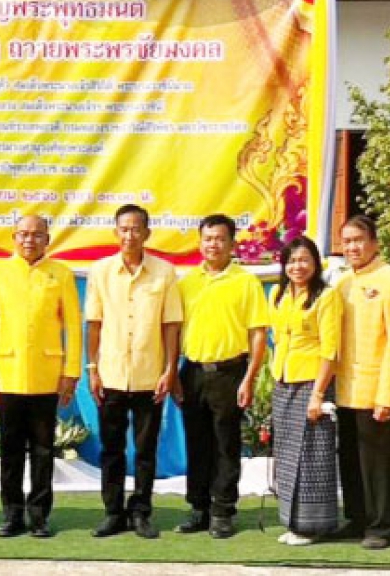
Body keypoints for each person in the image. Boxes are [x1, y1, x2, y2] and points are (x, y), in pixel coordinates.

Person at [0, 214, 81, 538]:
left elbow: (74, 327)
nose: (29, 240)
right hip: (7, 375)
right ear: (13, 237)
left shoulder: (60, 274)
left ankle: (39, 516)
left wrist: (71, 372)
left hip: (47, 375)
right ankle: (11, 514)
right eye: (23, 234)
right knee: (10, 451)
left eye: (37, 235)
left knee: (42, 450)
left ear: (47, 240)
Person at [85, 204, 183, 539]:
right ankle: (113, 512)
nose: (130, 235)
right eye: (124, 229)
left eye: (136, 229)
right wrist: (93, 368)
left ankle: (141, 511)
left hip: (149, 376)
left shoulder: (164, 273)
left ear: (147, 233)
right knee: (111, 450)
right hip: (111, 374)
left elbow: (171, 325)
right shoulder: (100, 271)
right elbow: (94, 325)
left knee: (145, 449)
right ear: (116, 233)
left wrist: (170, 369)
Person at [175, 214, 268, 539]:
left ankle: (222, 510)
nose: (213, 244)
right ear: (200, 242)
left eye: (220, 239)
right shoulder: (187, 282)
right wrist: (173, 374)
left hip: (230, 372)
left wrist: (249, 378)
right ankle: (198, 508)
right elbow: (173, 331)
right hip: (193, 372)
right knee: (196, 443)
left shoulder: (246, 282)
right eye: (207, 238)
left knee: (226, 444)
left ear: (232, 243)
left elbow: (258, 334)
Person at [332, 215, 390, 549]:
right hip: (345, 388)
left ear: (375, 243)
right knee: (350, 459)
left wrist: (388, 395)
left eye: (359, 240)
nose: (352, 247)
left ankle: (381, 526)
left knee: (377, 464)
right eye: (347, 241)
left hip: (375, 389)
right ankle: (356, 519)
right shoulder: (341, 282)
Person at [268, 236, 342, 546]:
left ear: (316, 263)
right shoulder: (277, 293)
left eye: (304, 260)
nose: (298, 266)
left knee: (311, 455)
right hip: (284, 379)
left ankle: (312, 526)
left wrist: (318, 394)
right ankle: (292, 521)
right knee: (286, 455)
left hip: (313, 382)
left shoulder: (327, 297)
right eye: (292, 261)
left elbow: (331, 350)